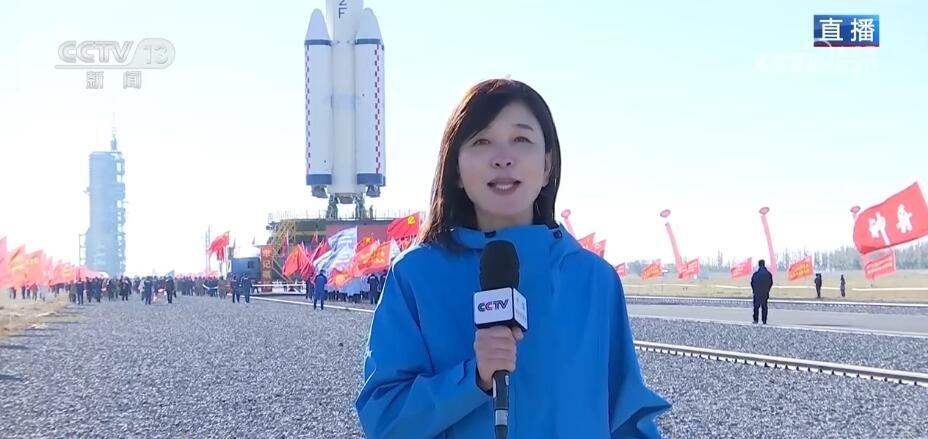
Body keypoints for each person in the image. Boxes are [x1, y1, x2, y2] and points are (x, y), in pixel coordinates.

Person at [355, 78, 670, 438]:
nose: (503, 158)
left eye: (521, 139)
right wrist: (472, 378)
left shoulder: (595, 280)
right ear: (456, 170)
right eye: (482, 141)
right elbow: (384, 419)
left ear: (548, 165)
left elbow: (626, 419)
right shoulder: (416, 276)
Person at [750, 259, 774, 324]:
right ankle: (764, 320)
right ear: (764, 264)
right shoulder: (768, 274)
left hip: (757, 293)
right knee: (764, 306)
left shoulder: (755, 274)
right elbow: (771, 283)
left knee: (756, 307)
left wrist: (754, 290)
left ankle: (756, 320)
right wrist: (768, 289)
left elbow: (752, 283)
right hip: (765, 292)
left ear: (759, 265)